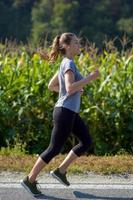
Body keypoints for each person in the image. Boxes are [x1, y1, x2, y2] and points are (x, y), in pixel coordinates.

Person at [21, 32, 100, 196]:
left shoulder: (65, 63)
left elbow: (52, 86)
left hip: (69, 111)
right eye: (76, 43)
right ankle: (29, 179)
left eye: (79, 43)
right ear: (67, 46)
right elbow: (70, 88)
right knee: (53, 149)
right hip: (65, 112)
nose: (79, 46)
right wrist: (90, 78)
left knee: (86, 141)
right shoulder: (69, 63)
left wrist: (73, 90)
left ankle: (61, 171)